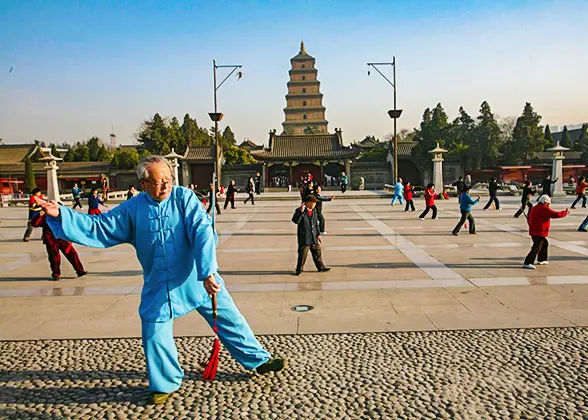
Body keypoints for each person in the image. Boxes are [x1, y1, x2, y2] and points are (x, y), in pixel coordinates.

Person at [37, 155, 286, 404]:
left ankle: (258, 360)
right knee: (154, 332)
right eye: (158, 182)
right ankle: (165, 382)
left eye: (168, 179)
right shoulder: (133, 208)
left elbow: (202, 231)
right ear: (143, 183)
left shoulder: (183, 198)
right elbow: (100, 226)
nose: (166, 186)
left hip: (197, 277)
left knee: (230, 318)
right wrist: (61, 214)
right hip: (159, 284)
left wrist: (208, 271)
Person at [31, 209, 87, 280]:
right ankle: (56, 274)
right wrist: (39, 215)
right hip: (51, 240)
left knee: (72, 254)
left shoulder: (63, 216)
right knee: (54, 257)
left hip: (63, 239)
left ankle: (80, 270)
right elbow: (34, 224)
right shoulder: (45, 216)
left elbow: (71, 225)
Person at [523, 195, 570, 269]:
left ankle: (542, 259)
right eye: (549, 202)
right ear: (546, 202)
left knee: (544, 243)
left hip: (535, 230)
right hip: (539, 231)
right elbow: (555, 214)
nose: (549, 204)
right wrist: (565, 212)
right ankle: (528, 262)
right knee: (537, 247)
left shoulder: (536, 207)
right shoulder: (543, 208)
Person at [292, 196, 330, 276]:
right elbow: (295, 221)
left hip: (313, 236)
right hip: (305, 237)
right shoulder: (299, 210)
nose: (315, 204)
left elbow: (316, 224)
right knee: (302, 255)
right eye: (313, 202)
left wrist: (318, 234)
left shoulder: (314, 211)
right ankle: (299, 269)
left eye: (315, 203)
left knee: (317, 252)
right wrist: (301, 212)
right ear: (308, 202)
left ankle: (321, 267)